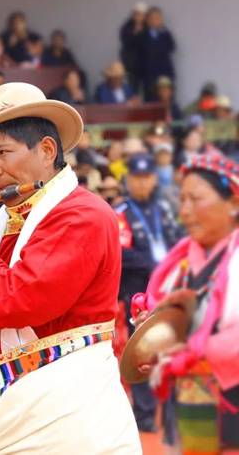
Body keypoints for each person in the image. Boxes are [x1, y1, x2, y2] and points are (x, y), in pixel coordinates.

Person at [0, 82, 140, 453]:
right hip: (17, 411)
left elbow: (14, 301)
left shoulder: (82, 215)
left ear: (46, 150)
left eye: (2, 153)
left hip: (69, 415)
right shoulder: (9, 220)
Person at [132, 154, 239, 454]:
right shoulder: (181, 263)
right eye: (182, 200)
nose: (185, 211)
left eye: (196, 199)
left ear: (233, 203)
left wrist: (187, 351)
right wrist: (153, 337)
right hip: (189, 407)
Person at [115, 153, 183, 432]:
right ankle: (144, 415)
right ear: (129, 180)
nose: (142, 184)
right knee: (142, 351)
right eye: (137, 179)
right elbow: (122, 253)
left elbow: (179, 240)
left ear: (154, 179)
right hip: (138, 294)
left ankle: (170, 414)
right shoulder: (121, 213)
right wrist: (158, 266)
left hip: (170, 292)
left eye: (147, 178)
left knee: (171, 351)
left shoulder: (165, 209)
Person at [140, 7, 176, 100]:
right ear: (147, 20)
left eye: (158, 18)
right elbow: (146, 51)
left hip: (165, 72)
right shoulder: (142, 35)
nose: (156, 21)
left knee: (167, 101)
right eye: (153, 18)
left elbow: (171, 47)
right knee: (151, 102)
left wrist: (163, 32)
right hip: (150, 75)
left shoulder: (165, 33)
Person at [119, 2, 147, 94]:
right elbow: (126, 41)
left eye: (141, 14)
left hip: (146, 64)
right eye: (137, 14)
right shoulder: (127, 27)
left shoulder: (147, 27)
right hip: (132, 65)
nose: (139, 17)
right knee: (133, 89)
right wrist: (135, 32)